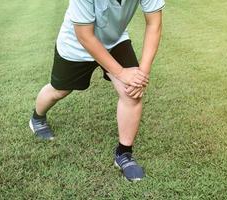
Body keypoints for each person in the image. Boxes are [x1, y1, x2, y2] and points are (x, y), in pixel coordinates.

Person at [29, 0, 164, 181]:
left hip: (114, 40)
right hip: (76, 45)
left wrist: (142, 73)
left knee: (131, 93)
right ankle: (37, 118)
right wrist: (122, 72)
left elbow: (154, 23)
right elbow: (85, 35)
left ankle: (124, 154)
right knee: (60, 90)